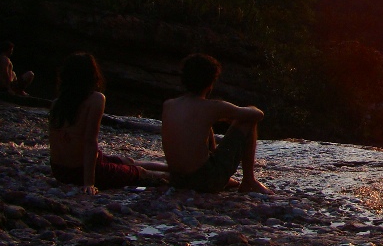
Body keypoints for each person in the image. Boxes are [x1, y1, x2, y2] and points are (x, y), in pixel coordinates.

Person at [48, 52, 167, 194]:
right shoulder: (95, 99)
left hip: (59, 170)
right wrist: (89, 183)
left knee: (128, 161)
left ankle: (174, 167)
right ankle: (183, 175)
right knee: (141, 172)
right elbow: (90, 142)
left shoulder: (56, 104)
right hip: (80, 170)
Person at [162, 53, 271, 194]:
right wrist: (227, 115)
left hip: (177, 180)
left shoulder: (169, 104)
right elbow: (257, 115)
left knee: (205, 126)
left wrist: (220, 117)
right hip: (205, 182)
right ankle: (248, 181)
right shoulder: (213, 107)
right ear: (211, 82)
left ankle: (218, 171)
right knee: (247, 120)